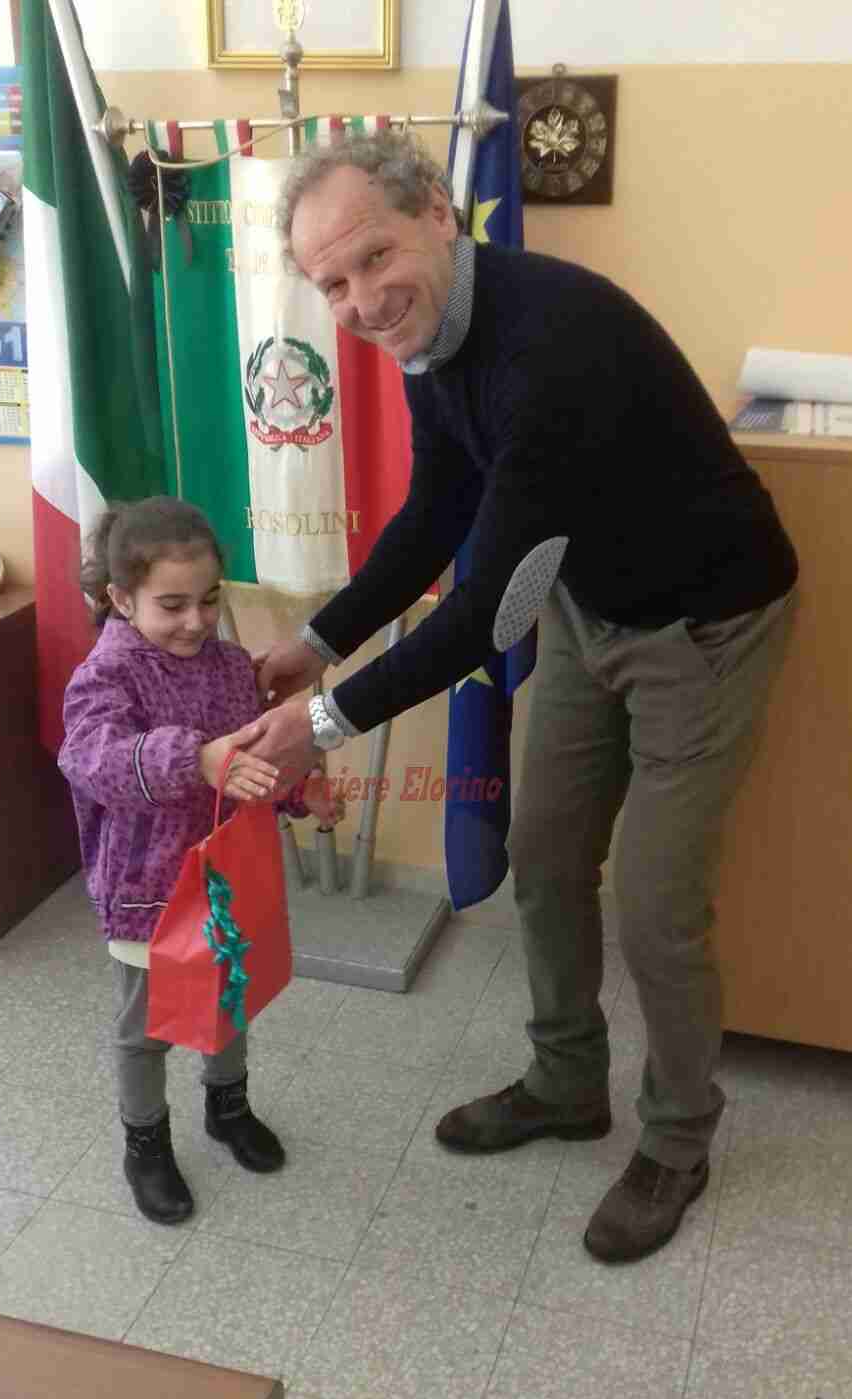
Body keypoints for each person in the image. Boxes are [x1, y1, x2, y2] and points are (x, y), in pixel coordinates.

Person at [244, 130, 799, 1264]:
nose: (357, 301)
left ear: (440, 215)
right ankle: (564, 1081)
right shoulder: (434, 333)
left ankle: (680, 1137)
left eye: (372, 259)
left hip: (705, 621)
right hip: (591, 602)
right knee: (541, 854)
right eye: (330, 282)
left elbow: (485, 612)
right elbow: (439, 512)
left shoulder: (553, 348)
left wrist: (320, 726)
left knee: (653, 903)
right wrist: (319, 640)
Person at [58, 496, 342, 1225]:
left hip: (226, 879)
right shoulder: (107, 674)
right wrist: (195, 756)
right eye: (172, 604)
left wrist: (296, 792)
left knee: (231, 994)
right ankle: (145, 1144)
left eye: (209, 600)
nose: (195, 620)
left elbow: (250, 765)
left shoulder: (227, 667)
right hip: (146, 888)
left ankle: (228, 1107)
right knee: (145, 1028)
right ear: (121, 599)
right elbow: (92, 761)